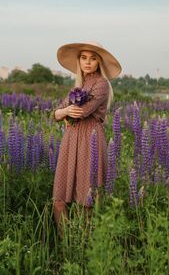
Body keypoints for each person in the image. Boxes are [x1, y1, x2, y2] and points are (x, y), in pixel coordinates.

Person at [52, 41, 122, 236]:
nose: (88, 62)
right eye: (84, 58)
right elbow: (55, 114)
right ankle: (65, 244)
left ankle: (83, 245)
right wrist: (63, 111)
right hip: (70, 140)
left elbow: (81, 112)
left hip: (90, 139)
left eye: (93, 58)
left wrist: (65, 112)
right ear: (79, 61)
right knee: (59, 198)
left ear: (99, 62)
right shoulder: (79, 85)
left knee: (86, 199)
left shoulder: (101, 84)